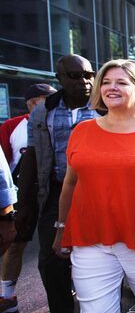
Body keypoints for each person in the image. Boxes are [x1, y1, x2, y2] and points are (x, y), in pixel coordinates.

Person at [51, 59, 135, 312]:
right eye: (106, 82)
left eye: (121, 82)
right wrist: (61, 227)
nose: (111, 87)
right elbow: (70, 184)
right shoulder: (81, 131)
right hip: (89, 239)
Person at [15, 54, 98, 312]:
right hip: (56, 192)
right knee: (52, 262)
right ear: (59, 78)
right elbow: (32, 156)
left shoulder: (104, 107)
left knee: (101, 258)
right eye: (75, 76)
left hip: (98, 194)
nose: (84, 81)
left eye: (89, 75)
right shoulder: (44, 111)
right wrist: (24, 203)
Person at [0, 83, 56, 312]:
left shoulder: (62, 122)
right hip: (24, 196)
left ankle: (67, 288)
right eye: (48, 99)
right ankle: (7, 295)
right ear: (33, 102)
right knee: (15, 245)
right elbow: (4, 164)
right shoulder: (12, 126)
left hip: (54, 194)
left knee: (59, 245)